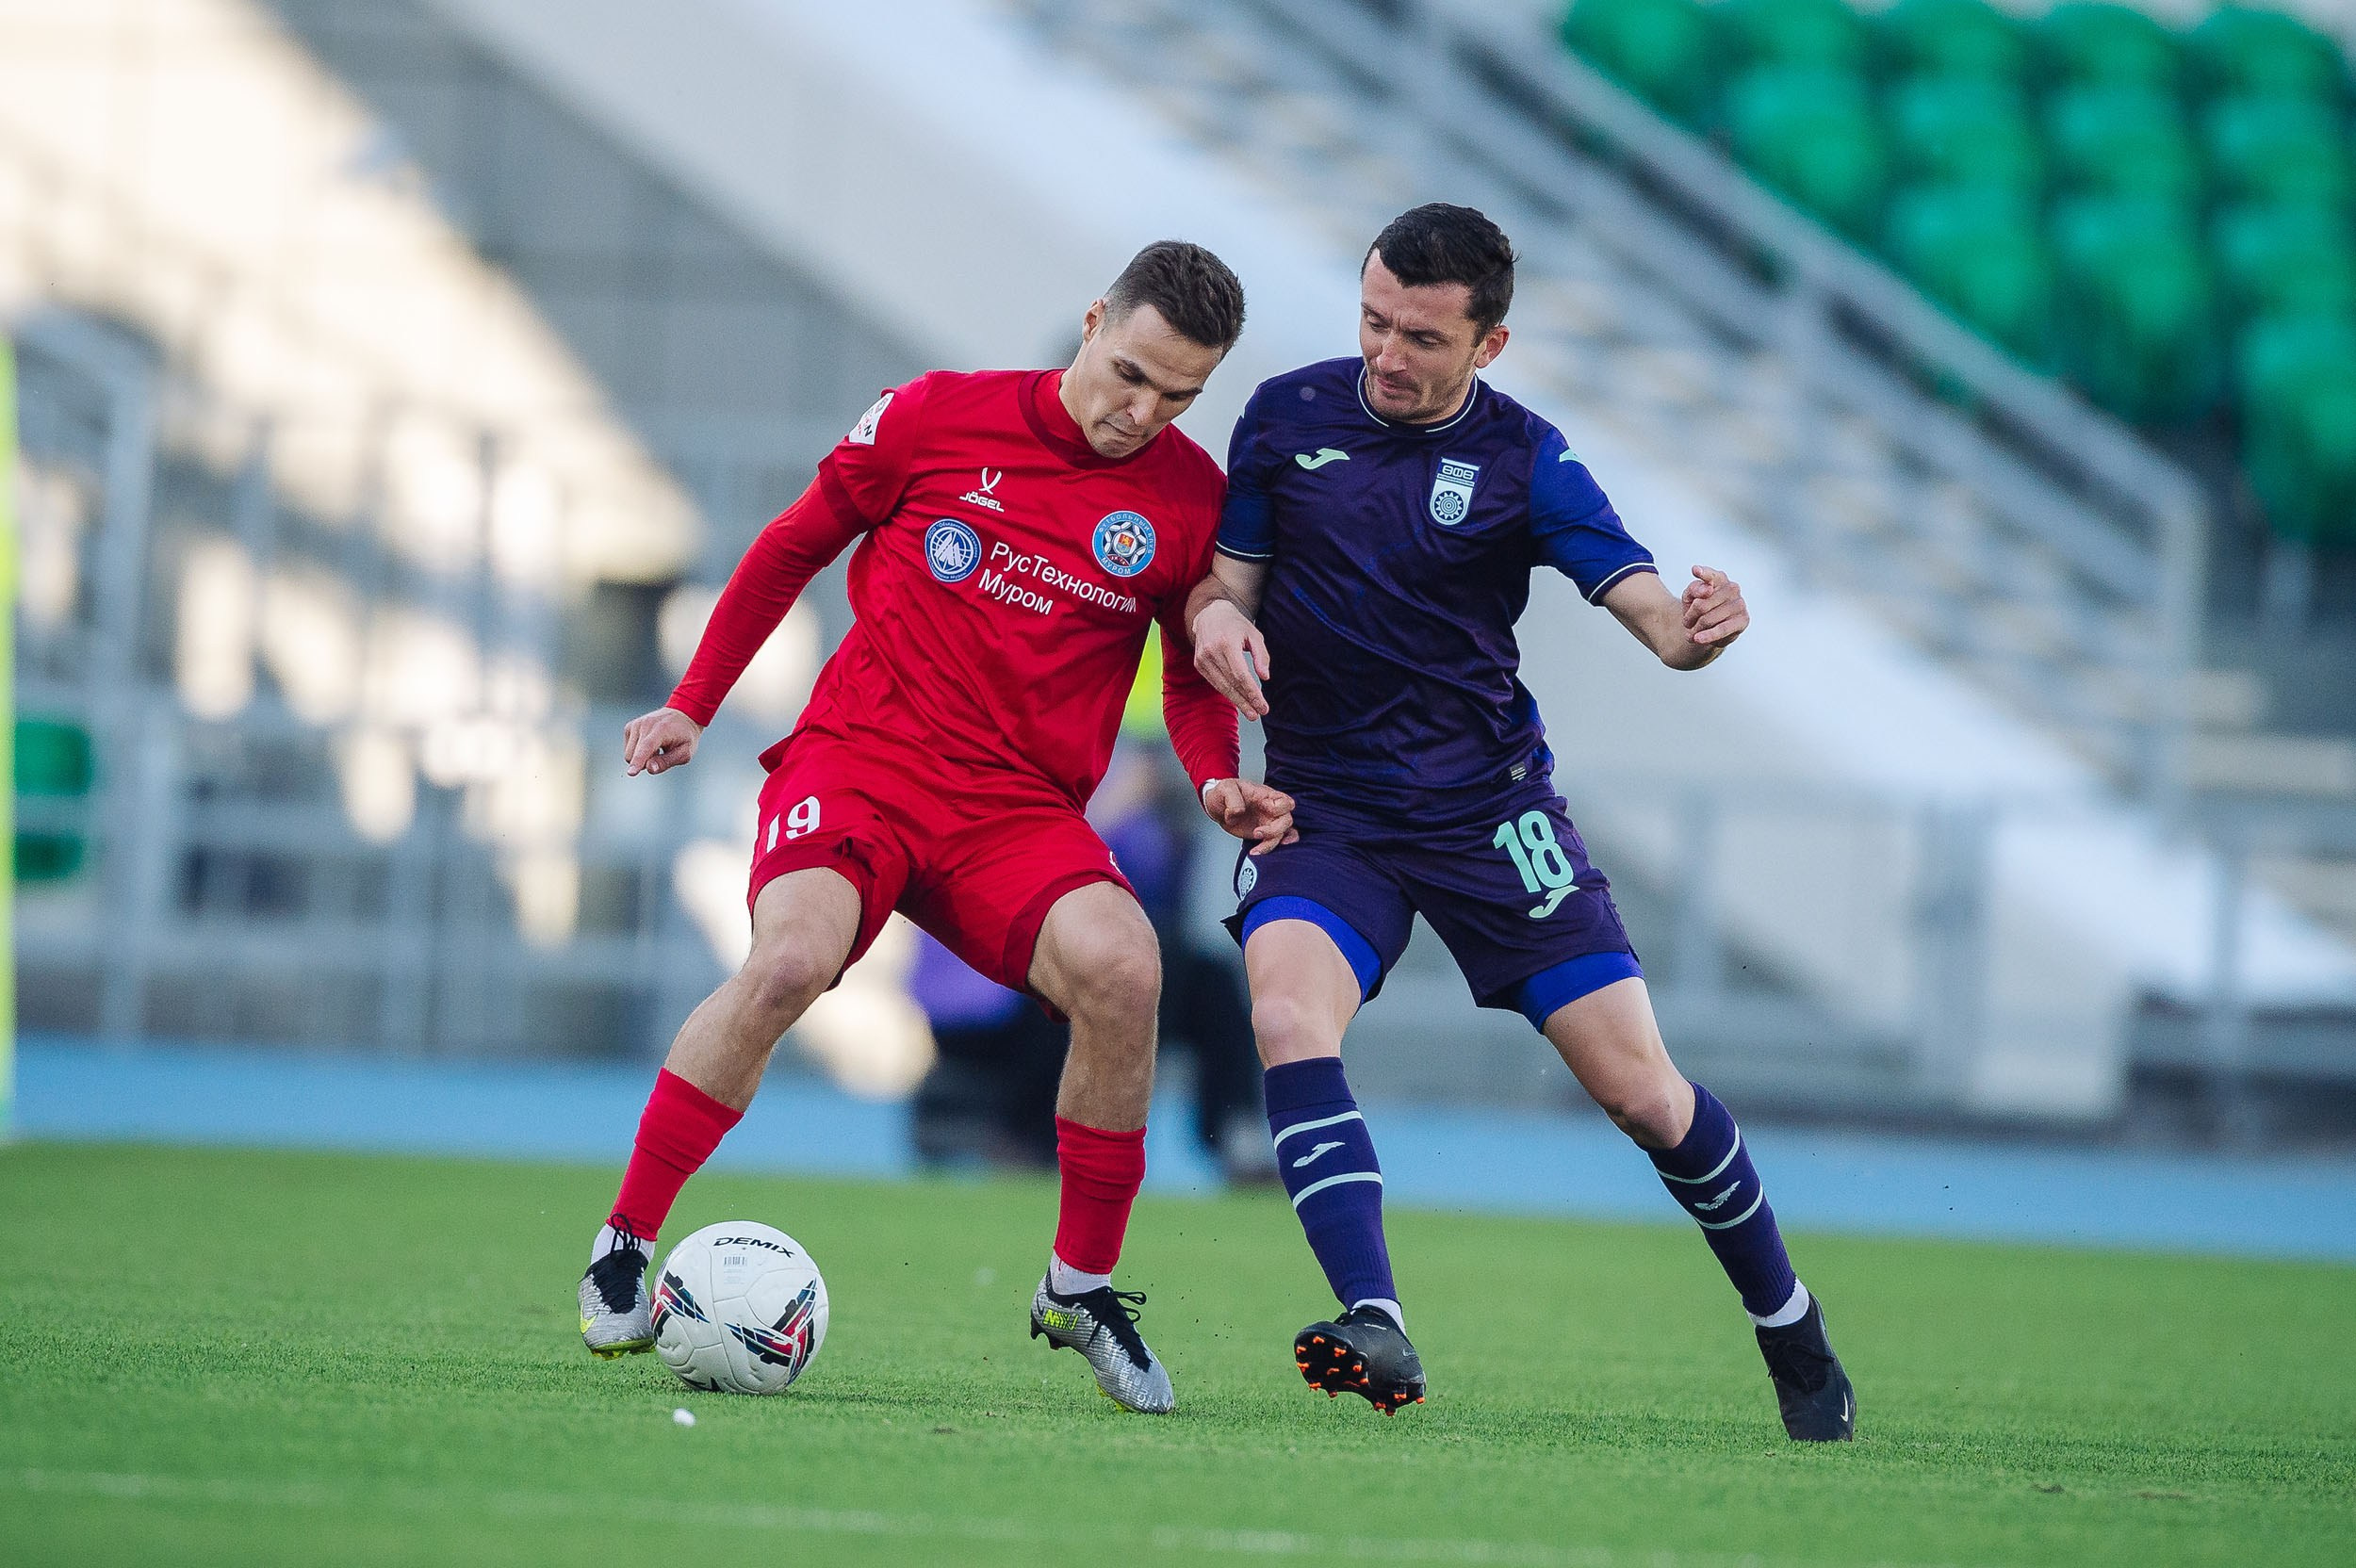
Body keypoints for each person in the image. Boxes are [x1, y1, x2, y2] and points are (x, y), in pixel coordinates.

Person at [580, 240, 1297, 1415]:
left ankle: (1080, 1286)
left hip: (1013, 809)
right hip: (861, 760)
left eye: (1178, 395)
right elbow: (790, 545)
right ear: (1090, 321)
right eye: (1130, 373)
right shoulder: (931, 419)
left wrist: (1218, 780)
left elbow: (1190, 676)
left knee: (1127, 969)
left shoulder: (1183, 499)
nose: (1140, 411)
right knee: (791, 962)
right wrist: (691, 702)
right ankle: (624, 1238)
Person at [1186, 204, 1856, 1440]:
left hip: (1494, 813)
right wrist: (1213, 618)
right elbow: (1224, 584)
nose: (1388, 354)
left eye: (1423, 339)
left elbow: (1658, 623)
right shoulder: (1284, 417)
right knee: (1284, 1012)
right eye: (1375, 321)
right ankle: (1374, 1316)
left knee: (1644, 1097)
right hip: (1328, 809)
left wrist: (1699, 632)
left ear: (1488, 347)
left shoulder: (1529, 462)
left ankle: (1790, 1327)